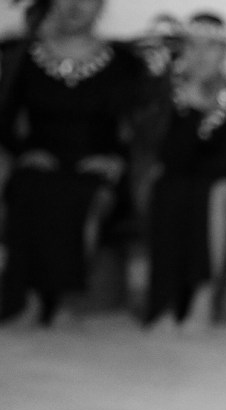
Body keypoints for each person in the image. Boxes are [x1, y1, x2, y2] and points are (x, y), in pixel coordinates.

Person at [0, 0, 146, 326]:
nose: (75, 5)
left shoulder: (124, 62)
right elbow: (4, 119)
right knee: (29, 188)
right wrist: (24, 152)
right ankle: (29, 300)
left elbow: (140, 128)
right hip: (42, 162)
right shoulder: (24, 57)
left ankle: (63, 300)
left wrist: (116, 160)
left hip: (97, 166)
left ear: (100, 6)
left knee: (79, 195)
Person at [140, 12, 226, 330]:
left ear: (224, 52)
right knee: (167, 188)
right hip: (186, 185)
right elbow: (171, 159)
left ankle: (203, 299)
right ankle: (165, 303)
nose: (201, 55)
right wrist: (188, 112)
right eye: (193, 46)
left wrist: (201, 108)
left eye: (210, 47)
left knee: (211, 191)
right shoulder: (169, 97)